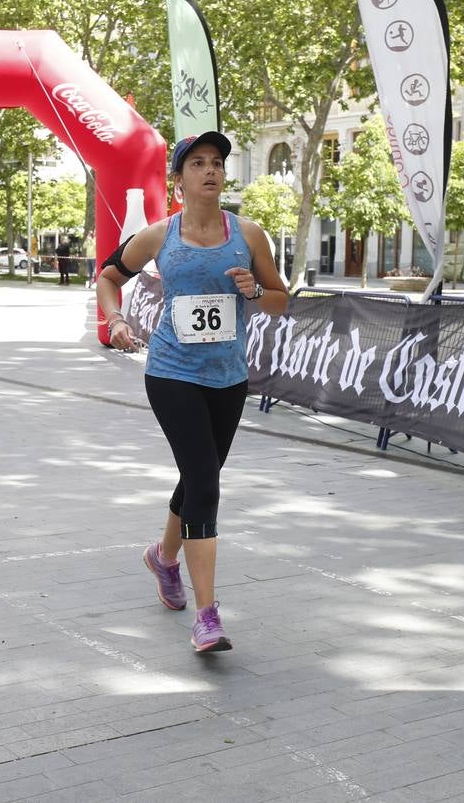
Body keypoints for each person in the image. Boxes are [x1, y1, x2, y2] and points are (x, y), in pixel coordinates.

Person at [96, 132, 287, 653]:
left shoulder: (248, 234)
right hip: (172, 373)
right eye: (198, 163)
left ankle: (163, 557)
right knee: (205, 484)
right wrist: (114, 318)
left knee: (198, 476)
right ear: (178, 179)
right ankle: (207, 616)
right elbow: (108, 277)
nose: (210, 171)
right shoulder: (160, 236)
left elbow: (278, 300)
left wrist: (254, 290)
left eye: (217, 163)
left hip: (228, 379)